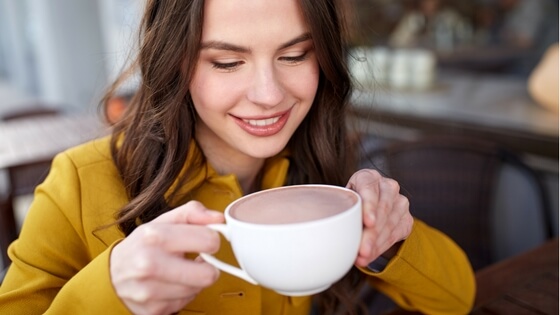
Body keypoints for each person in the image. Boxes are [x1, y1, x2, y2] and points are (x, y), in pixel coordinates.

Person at [0, 1, 475, 314]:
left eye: (295, 56)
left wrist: (392, 238)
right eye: (226, 62)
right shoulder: (79, 184)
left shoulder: (331, 175)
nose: (269, 96)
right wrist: (110, 292)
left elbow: (458, 298)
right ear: (175, 62)